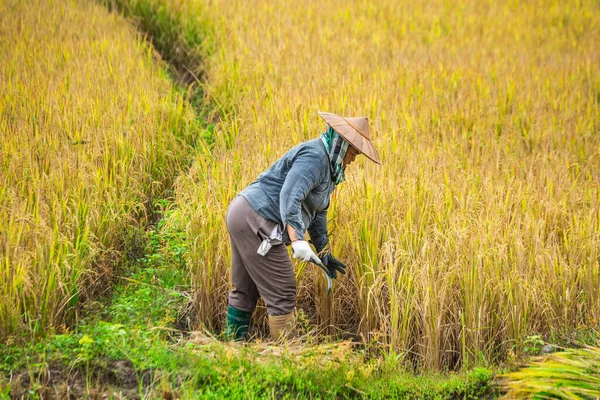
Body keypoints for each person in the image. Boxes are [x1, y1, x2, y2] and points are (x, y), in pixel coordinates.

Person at [225, 111, 381, 341]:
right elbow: (290, 195)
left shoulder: (330, 168)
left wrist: (323, 250)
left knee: (245, 290)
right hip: (256, 218)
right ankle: (287, 362)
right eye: (353, 153)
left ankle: (231, 354)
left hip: (244, 213)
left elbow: (317, 211)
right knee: (283, 291)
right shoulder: (316, 157)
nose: (353, 160)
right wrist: (297, 239)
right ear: (342, 144)